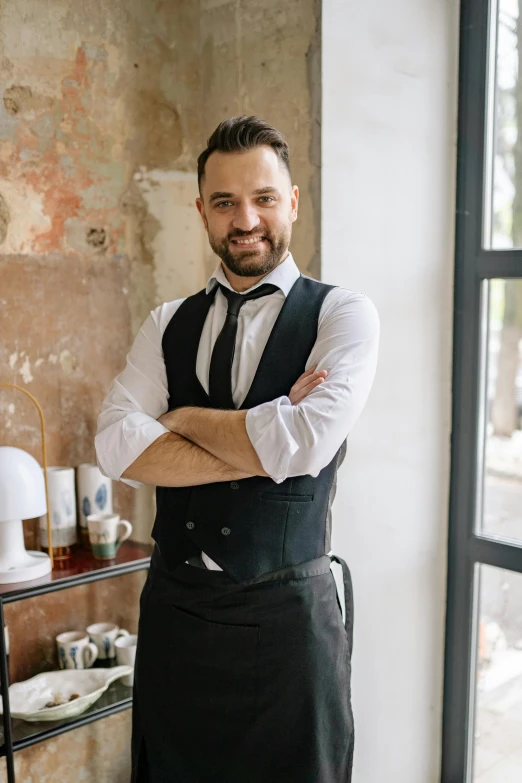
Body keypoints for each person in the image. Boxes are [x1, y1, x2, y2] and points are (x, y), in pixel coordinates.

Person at [95, 116, 379, 783]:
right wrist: (268, 434)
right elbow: (114, 442)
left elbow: (307, 442)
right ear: (201, 211)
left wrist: (181, 418)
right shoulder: (166, 322)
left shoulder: (344, 315)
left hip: (288, 628)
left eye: (263, 198)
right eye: (224, 202)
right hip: (175, 619)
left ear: (293, 201)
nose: (244, 218)